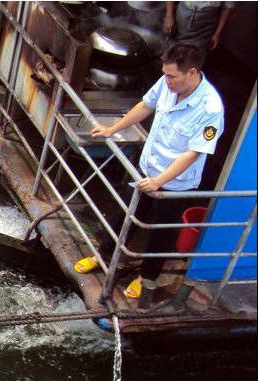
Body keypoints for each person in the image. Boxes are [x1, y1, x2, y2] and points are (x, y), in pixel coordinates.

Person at [73, 43, 224, 299]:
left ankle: (147, 276)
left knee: (162, 232)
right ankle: (104, 255)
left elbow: (192, 153)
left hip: (175, 182)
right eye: (165, 74)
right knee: (125, 213)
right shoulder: (167, 84)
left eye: (172, 76)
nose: (166, 80)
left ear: (192, 73)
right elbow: (146, 105)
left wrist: (159, 182)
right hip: (146, 166)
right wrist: (113, 128)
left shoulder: (210, 109)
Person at [164, 2, 234, 57]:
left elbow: (228, 7)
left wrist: (217, 34)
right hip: (182, 16)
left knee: (192, 58)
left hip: (206, 26)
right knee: (170, 52)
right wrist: (169, 16)